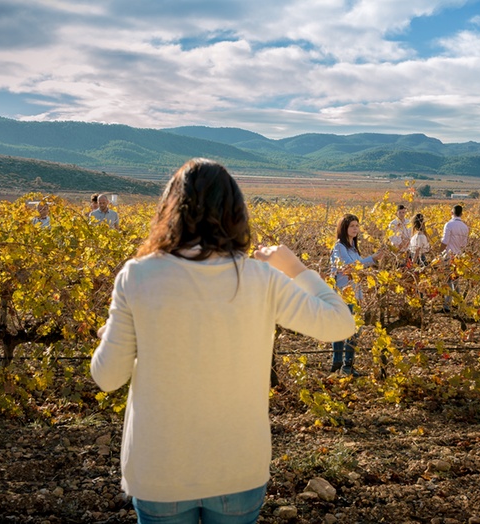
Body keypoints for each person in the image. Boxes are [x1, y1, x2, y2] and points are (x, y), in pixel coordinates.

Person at [90, 158, 355, 524]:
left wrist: (111, 336)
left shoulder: (138, 276)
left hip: (159, 470)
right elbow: (340, 323)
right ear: (236, 212)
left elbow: (107, 377)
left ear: (170, 209)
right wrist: (294, 266)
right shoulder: (261, 278)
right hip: (237, 467)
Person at [329, 213, 385, 375]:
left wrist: (374, 260)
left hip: (354, 293)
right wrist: (371, 258)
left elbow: (358, 270)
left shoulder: (353, 248)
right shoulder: (339, 247)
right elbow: (349, 267)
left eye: (357, 226)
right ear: (344, 228)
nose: (355, 229)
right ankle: (343, 365)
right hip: (342, 294)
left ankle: (342, 365)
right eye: (352, 226)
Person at [435, 204, 470, 312]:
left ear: (452, 213)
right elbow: (464, 245)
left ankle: (447, 306)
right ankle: (459, 303)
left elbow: (444, 242)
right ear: (461, 214)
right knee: (456, 281)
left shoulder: (449, 225)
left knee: (448, 282)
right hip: (458, 257)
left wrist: (438, 254)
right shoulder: (465, 227)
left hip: (448, 257)